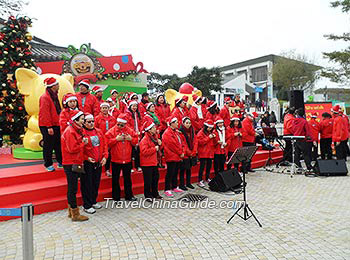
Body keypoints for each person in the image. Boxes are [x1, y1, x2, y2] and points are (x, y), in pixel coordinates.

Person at [61, 110, 88, 221]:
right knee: (72, 189)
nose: (84, 121)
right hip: (70, 162)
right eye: (82, 119)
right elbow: (72, 149)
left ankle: (71, 211)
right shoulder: (70, 131)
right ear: (76, 120)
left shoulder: (76, 130)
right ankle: (75, 213)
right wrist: (83, 144)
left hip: (74, 161)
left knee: (72, 188)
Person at [105, 113, 138, 202]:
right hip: (116, 159)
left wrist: (131, 139)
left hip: (127, 159)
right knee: (115, 179)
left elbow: (136, 141)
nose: (119, 126)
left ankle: (129, 195)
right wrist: (116, 139)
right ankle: (116, 197)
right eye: (118, 124)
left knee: (128, 179)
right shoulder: (112, 131)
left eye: (121, 125)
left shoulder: (130, 131)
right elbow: (106, 142)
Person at [82, 114, 108, 214]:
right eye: (89, 122)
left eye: (92, 121)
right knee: (87, 184)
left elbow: (104, 145)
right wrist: (86, 158)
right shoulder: (82, 133)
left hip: (98, 161)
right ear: (84, 122)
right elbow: (80, 149)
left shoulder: (99, 131)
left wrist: (105, 157)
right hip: (88, 162)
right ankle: (87, 204)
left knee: (96, 182)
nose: (91, 123)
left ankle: (93, 200)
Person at [39, 77, 63, 172]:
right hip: (48, 125)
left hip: (56, 124)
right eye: (57, 84)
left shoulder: (54, 96)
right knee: (48, 145)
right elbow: (44, 113)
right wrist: (49, 126)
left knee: (58, 144)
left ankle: (60, 161)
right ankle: (48, 164)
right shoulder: (45, 97)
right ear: (53, 86)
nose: (58, 86)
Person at [139, 120, 163, 201]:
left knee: (155, 178)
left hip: (154, 162)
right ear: (149, 130)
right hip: (147, 163)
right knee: (148, 180)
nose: (155, 129)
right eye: (153, 128)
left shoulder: (154, 137)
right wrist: (154, 149)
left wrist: (160, 144)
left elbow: (159, 148)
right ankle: (148, 195)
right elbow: (144, 151)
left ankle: (155, 193)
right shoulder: (145, 139)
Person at [162, 116, 184, 197]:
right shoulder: (167, 133)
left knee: (175, 172)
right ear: (171, 123)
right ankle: (167, 189)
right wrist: (180, 152)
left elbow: (180, 142)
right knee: (170, 173)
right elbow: (172, 145)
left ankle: (174, 186)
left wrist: (181, 151)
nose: (178, 123)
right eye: (176, 122)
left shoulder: (176, 132)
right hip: (171, 155)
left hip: (177, 155)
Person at [95, 102, 117, 177]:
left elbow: (115, 129)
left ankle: (107, 170)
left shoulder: (113, 118)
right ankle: (99, 169)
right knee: (100, 154)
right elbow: (95, 128)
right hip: (101, 139)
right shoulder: (97, 118)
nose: (105, 109)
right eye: (103, 108)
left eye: (106, 108)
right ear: (100, 109)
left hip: (110, 139)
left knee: (109, 154)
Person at [178, 117, 198, 190]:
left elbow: (195, 141)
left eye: (189, 123)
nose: (188, 125)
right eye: (187, 123)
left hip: (192, 153)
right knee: (183, 170)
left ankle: (188, 183)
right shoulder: (180, 132)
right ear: (183, 123)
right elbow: (183, 144)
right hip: (185, 154)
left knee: (189, 169)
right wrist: (189, 152)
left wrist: (194, 151)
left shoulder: (192, 131)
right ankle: (182, 184)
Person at [197, 119, 216, 187]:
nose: (210, 129)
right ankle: (200, 180)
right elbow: (200, 142)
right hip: (203, 153)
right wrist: (208, 138)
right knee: (202, 167)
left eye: (211, 128)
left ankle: (207, 178)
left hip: (209, 152)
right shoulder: (200, 133)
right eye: (209, 127)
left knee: (209, 166)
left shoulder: (210, 132)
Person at [126, 99, 142, 172]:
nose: (134, 107)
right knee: (131, 152)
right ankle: (131, 167)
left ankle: (138, 166)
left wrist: (140, 131)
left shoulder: (138, 114)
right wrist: (133, 133)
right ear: (130, 106)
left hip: (138, 135)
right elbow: (128, 126)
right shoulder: (127, 115)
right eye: (133, 106)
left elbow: (141, 124)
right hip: (131, 135)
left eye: (136, 106)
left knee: (138, 151)